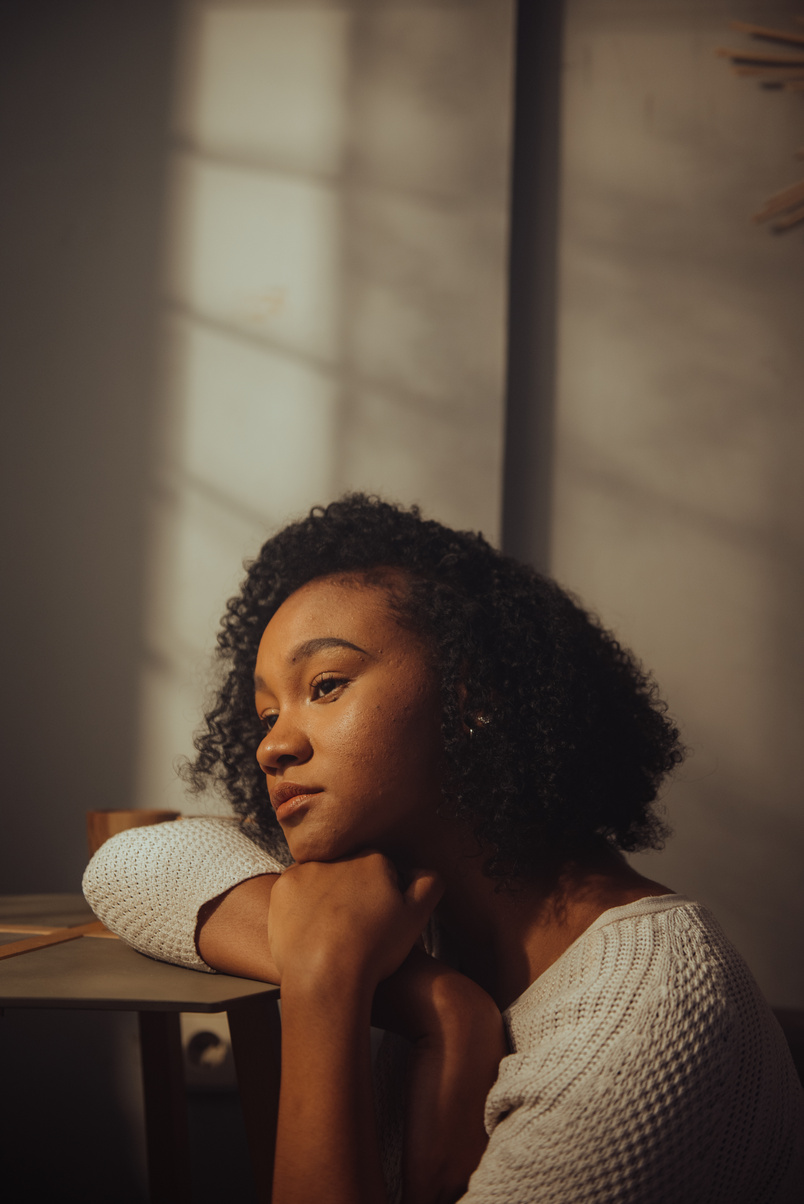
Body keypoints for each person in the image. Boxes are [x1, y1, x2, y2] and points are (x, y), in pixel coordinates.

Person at [84, 494, 803, 1204]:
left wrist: (325, 984)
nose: (273, 744)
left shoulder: (644, 1021)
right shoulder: (414, 921)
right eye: (267, 712)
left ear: (474, 695)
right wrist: (444, 1006)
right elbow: (129, 866)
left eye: (326, 686)